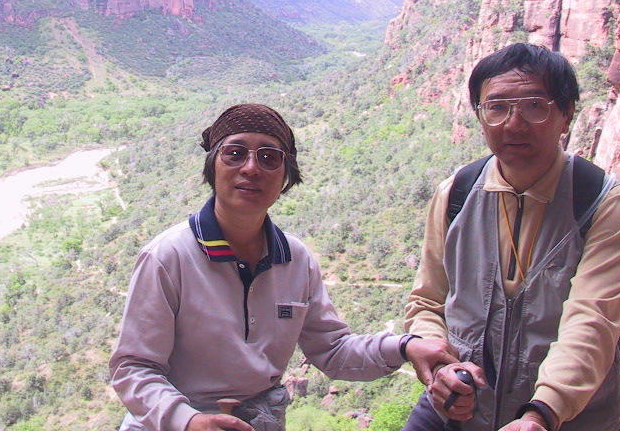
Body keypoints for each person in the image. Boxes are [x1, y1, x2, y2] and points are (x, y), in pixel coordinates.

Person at [110, 103, 457, 431]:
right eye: (234, 153)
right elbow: (133, 367)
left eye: (269, 157)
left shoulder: (296, 259)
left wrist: (405, 346)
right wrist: (187, 420)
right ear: (212, 166)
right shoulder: (168, 256)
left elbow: (333, 350)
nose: (251, 168)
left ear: (285, 176)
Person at [402, 43, 620, 431]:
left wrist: (542, 411)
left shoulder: (602, 203)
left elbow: (592, 320)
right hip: (461, 408)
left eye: (534, 106)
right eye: (496, 108)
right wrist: (443, 368)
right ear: (480, 116)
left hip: (566, 416)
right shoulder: (456, 194)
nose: (514, 124)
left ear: (567, 114)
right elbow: (428, 300)